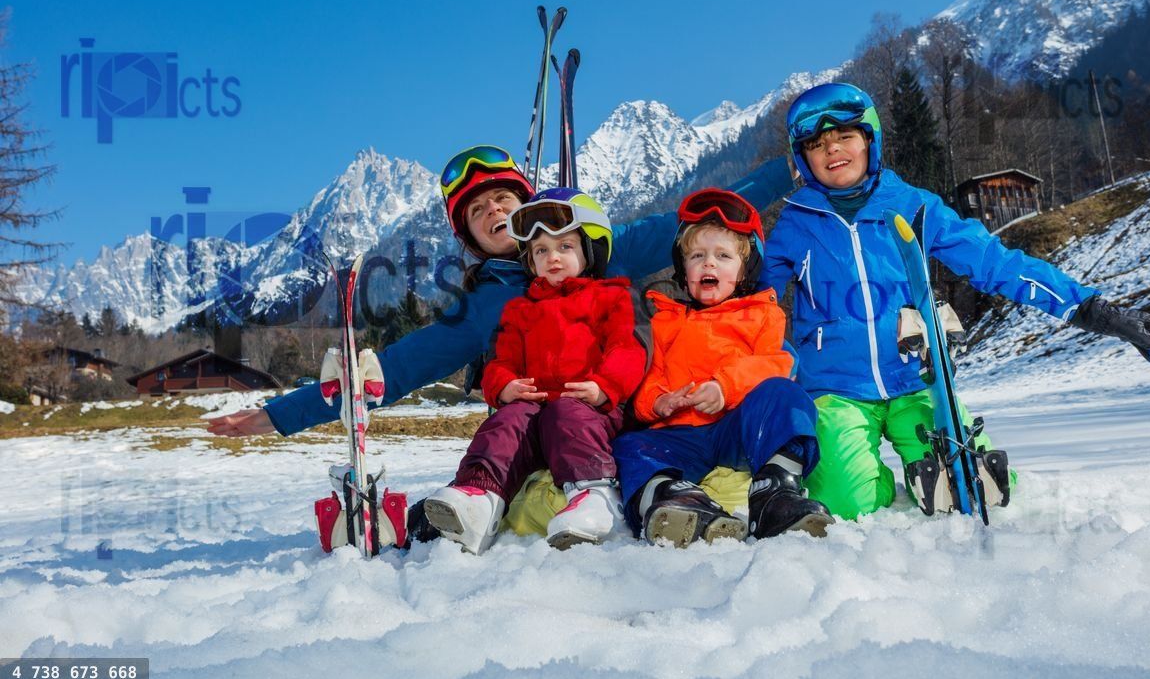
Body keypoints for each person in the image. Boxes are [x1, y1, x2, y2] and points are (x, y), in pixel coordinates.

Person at [763, 82, 1150, 521]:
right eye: (818, 144)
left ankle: (926, 469)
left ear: (870, 140)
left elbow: (994, 262)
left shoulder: (913, 207)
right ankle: (873, 475)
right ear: (802, 158)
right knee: (847, 506)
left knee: (981, 488)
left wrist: (1088, 308)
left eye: (846, 137)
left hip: (919, 381)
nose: (834, 150)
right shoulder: (794, 226)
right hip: (836, 390)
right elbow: (757, 307)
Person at [206, 145, 794, 438]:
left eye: (505, 203)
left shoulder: (599, 249)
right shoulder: (490, 303)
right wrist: (280, 414)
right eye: (478, 211)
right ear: (468, 235)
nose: (494, 213)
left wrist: (788, 169)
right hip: (549, 433)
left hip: (636, 420)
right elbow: (395, 367)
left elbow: (703, 215)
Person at [423, 188, 645, 554]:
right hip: (535, 412)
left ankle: (593, 495)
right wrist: (504, 387)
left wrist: (604, 386)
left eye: (565, 247)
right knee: (506, 421)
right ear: (531, 260)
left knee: (567, 412)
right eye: (541, 251)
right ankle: (479, 497)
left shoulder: (610, 298)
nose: (552, 257)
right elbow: (501, 362)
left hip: (589, 410)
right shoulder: (520, 311)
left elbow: (627, 349)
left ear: (589, 252)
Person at [612, 189, 834, 548]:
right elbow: (649, 382)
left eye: (723, 256)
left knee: (785, 394)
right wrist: (659, 402)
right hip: (679, 435)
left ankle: (775, 493)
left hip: (739, 430)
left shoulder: (762, 314)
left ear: (745, 269)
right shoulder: (665, 321)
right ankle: (674, 498)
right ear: (683, 269)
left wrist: (724, 387)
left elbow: (775, 363)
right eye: (697, 256)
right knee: (631, 444)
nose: (708, 264)